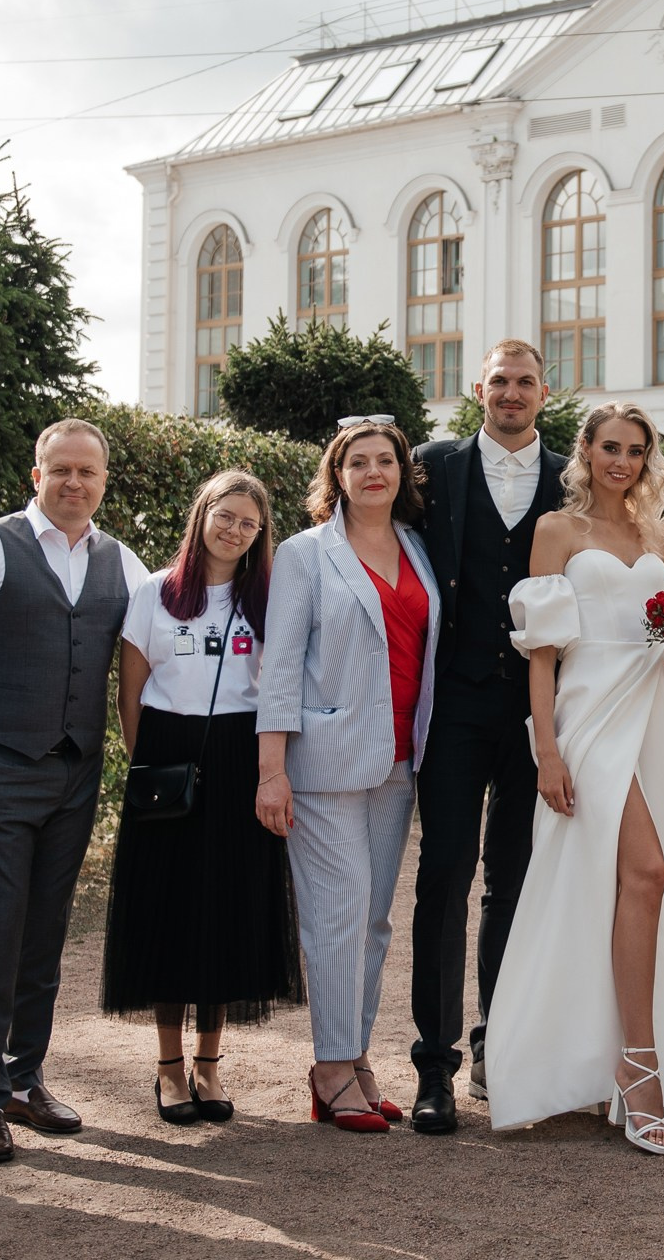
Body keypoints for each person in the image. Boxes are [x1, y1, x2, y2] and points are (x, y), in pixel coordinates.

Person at [485, 403, 664, 1154]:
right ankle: (637, 1070)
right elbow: (541, 653)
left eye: (637, 451)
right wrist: (546, 749)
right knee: (647, 871)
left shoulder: (660, 537)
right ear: (586, 449)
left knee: (637, 887)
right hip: (587, 715)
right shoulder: (557, 531)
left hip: (656, 712)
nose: (623, 461)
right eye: (611, 447)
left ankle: (624, 1060)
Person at [0, 418, 149, 1165]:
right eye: (60, 470)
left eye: (87, 472)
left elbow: (164, 638)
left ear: (103, 482)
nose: (73, 483)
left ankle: (25, 1077)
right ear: (36, 475)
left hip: (75, 770)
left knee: (46, 932)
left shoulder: (121, 561)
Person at [100, 470, 301, 1125]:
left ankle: (209, 1064)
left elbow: (275, 687)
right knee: (168, 910)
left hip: (241, 754)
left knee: (226, 909)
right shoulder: (154, 593)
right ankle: (167, 1066)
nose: (235, 530)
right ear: (202, 513)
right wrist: (147, 766)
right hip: (167, 755)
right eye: (226, 515)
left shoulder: (268, 598)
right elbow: (131, 690)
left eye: (249, 523)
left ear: (260, 533)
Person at [256, 417, 439, 1134]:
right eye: (357, 462)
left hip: (398, 760)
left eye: (385, 460)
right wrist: (272, 772)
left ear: (401, 472)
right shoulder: (305, 555)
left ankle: (355, 1057)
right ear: (337, 475)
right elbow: (278, 666)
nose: (373, 472)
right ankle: (330, 1067)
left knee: (372, 921)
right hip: (323, 765)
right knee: (339, 915)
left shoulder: (418, 551)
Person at [406, 342, 567, 1133]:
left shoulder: (570, 476)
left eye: (524, 382)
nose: (511, 393)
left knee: (514, 880)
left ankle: (495, 1048)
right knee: (443, 874)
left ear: (545, 392)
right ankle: (432, 1066)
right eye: (498, 381)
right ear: (479, 391)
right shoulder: (431, 467)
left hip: (539, 710)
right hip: (455, 706)